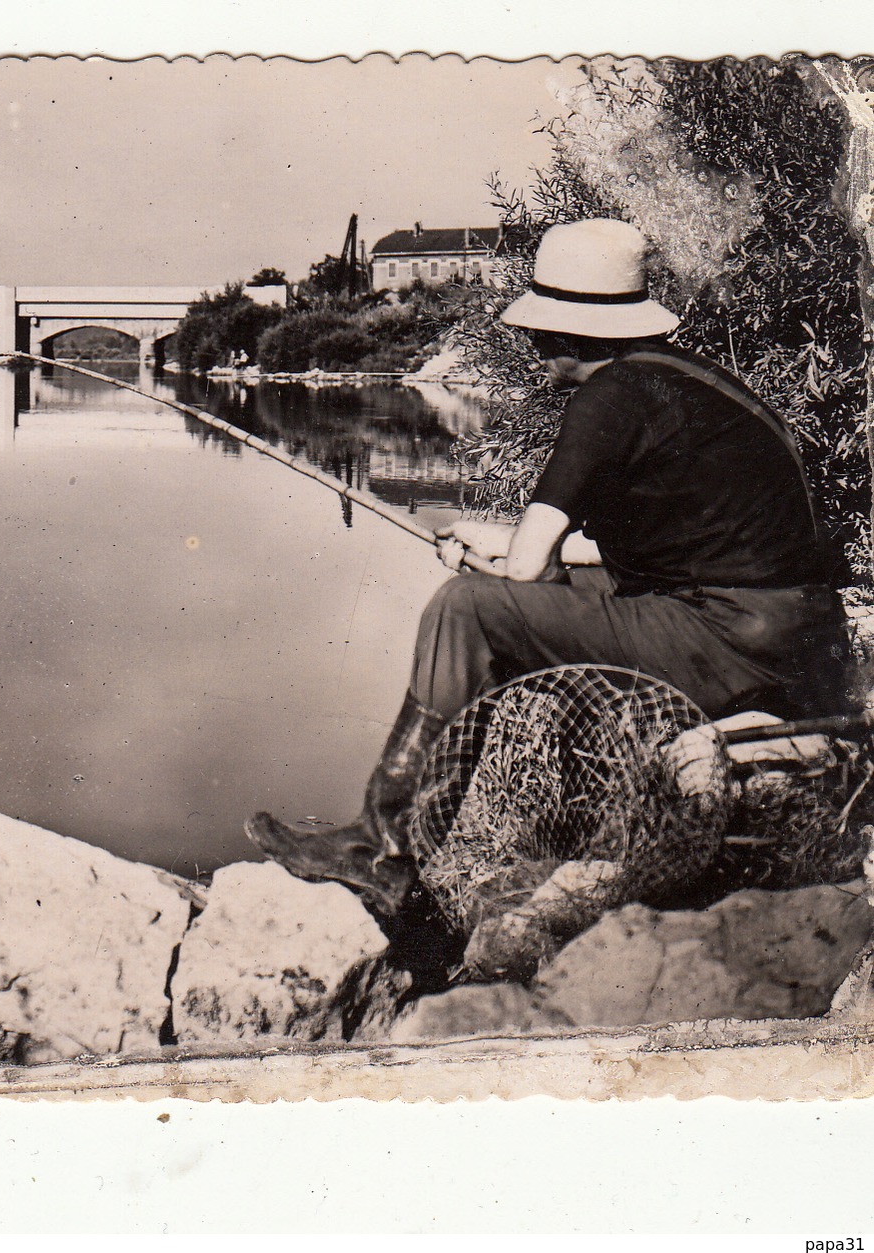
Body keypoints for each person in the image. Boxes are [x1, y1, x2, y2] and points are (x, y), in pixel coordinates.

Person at [247, 217, 853, 914]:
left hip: (730, 637)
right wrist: (494, 543)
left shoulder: (608, 399)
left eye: (539, 328)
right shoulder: (685, 382)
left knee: (462, 606)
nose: (530, 342)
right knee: (498, 592)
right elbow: (633, 549)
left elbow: (530, 568)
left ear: (571, 332)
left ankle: (382, 849)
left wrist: (494, 566)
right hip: (789, 632)